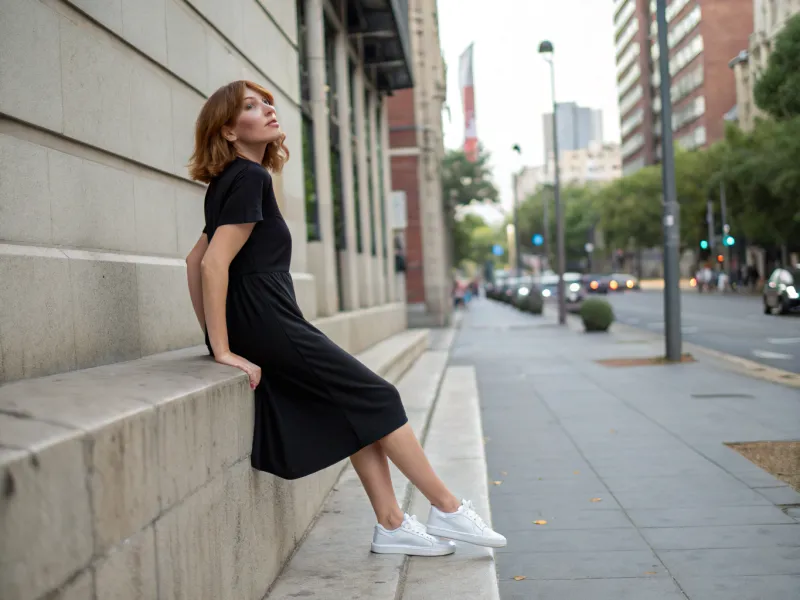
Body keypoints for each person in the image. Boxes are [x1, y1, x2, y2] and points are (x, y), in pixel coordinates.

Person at [184, 81, 505, 557]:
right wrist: (225, 349)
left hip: (263, 317)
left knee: (355, 409)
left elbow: (193, 261)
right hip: (268, 317)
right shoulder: (250, 179)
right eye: (251, 107)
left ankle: (393, 524)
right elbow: (212, 265)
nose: (269, 109)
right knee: (379, 395)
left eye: (266, 101)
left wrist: (217, 336)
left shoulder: (229, 179)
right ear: (229, 132)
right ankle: (448, 507)